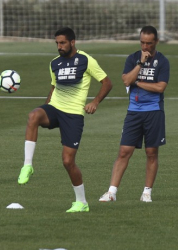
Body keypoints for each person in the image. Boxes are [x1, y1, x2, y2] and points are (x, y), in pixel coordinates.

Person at [17, 27, 113, 212]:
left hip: (74, 115)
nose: (59, 47)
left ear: (72, 42)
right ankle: (27, 166)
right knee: (33, 115)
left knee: (68, 161)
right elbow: (54, 88)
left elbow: (107, 82)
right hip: (55, 108)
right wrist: (45, 108)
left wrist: (95, 102)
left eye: (62, 43)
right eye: (57, 43)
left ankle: (81, 202)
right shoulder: (54, 63)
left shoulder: (85, 60)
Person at [99, 26, 170, 203]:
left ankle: (147, 193)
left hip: (154, 112)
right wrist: (139, 64)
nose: (145, 46)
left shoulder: (162, 61)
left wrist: (138, 82)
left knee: (151, 152)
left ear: (156, 42)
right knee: (124, 151)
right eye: (142, 42)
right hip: (134, 112)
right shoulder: (132, 59)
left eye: (149, 43)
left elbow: (160, 87)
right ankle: (111, 192)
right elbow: (125, 80)